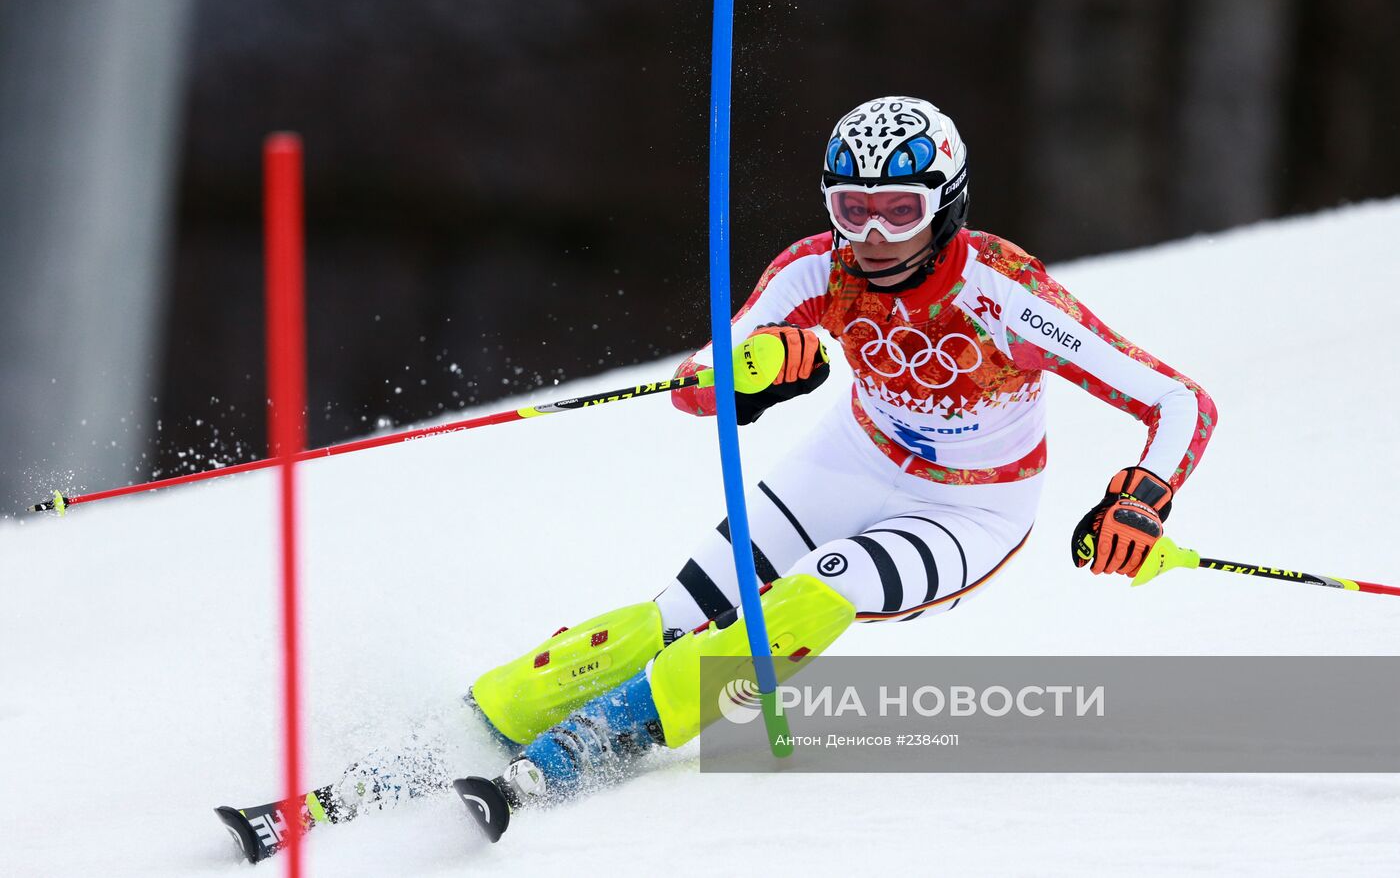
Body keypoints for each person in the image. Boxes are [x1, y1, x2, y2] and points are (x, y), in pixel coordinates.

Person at [216, 96, 1216, 860]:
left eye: (897, 212)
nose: (869, 237)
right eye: (849, 210)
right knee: (670, 614)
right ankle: (457, 730)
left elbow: (1177, 401)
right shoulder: (814, 268)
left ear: (944, 206)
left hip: (970, 504)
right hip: (851, 458)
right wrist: (755, 372)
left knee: (809, 597)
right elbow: (702, 377)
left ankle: (607, 735)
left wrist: (1138, 496)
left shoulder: (1005, 292)